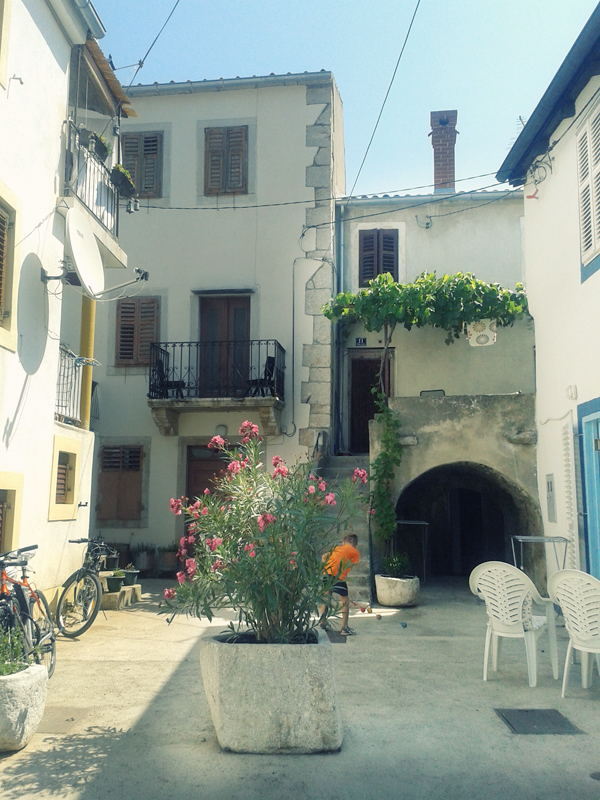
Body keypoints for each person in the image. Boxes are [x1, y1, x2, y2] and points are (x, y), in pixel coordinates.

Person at [319, 533, 360, 635]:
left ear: (343, 542)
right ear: (355, 545)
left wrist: (325, 569)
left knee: (326, 598)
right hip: (338, 575)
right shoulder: (355, 552)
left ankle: (322, 622)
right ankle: (344, 628)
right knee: (344, 600)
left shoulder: (337, 548)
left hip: (327, 573)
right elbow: (351, 565)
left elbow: (324, 557)